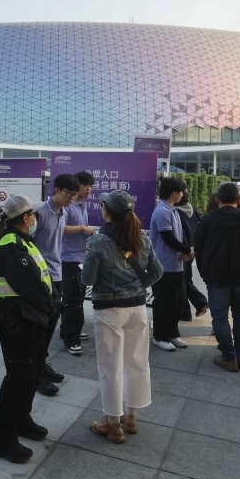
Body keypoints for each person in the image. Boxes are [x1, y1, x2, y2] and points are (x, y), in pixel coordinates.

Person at [81, 190, 162, 444]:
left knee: (110, 368)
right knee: (136, 362)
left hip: (108, 310)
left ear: (106, 210)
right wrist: (138, 286)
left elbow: (88, 280)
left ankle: (113, 425)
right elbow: (157, 272)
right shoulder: (142, 237)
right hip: (138, 309)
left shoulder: (97, 242)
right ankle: (131, 417)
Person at [0, 194, 54, 464]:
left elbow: (40, 279)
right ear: (25, 218)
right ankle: (2, 439)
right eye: (33, 215)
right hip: (17, 323)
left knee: (30, 375)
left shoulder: (24, 242)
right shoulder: (9, 247)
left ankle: (22, 421)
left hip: (30, 321)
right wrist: (50, 305)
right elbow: (32, 287)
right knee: (17, 379)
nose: (35, 218)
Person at [195, 182, 240, 372]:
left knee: (219, 317)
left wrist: (204, 272)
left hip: (216, 277)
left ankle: (228, 356)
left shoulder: (208, 220)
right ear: (239, 199)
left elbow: (199, 249)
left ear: (217, 199)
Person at [31, 174, 80, 395]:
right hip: (41, 278)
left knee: (51, 323)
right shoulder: (39, 214)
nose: (72, 198)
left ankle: (41, 363)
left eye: (74, 194)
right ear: (56, 190)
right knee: (40, 326)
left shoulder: (65, 212)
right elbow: (26, 244)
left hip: (57, 273)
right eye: (68, 193)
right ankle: (36, 373)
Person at [148, 176, 192, 351]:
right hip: (163, 266)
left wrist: (186, 249)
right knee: (164, 302)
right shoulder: (162, 211)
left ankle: (172, 334)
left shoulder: (172, 210)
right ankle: (159, 336)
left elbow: (179, 237)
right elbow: (168, 239)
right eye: (181, 191)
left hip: (176, 265)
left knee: (177, 301)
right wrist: (187, 250)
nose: (182, 195)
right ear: (174, 192)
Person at [60, 170, 97, 355]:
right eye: (85, 185)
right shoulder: (68, 206)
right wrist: (82, 228)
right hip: (69, 259)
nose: (88, 189)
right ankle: (71, 340)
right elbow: (62, 228)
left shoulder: (82, 205)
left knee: (76, 298)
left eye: (90, 185)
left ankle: (68, 330)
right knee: (73, 300)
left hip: (81, 258)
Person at [175, 192, 209, 317]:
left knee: (181, 281)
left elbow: (180, 232)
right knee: (185, 279)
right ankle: (197, 305)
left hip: (183, 249)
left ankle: (189, 309)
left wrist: (184, 249)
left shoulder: (175, 212)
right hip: (193, 248)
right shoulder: (192, 209)